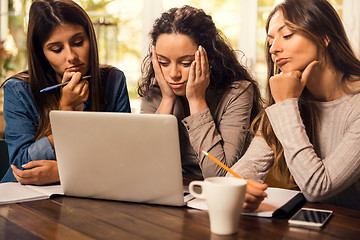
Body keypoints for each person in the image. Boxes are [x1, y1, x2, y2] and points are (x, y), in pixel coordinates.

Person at [230, 0, 360, 210]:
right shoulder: (292, 95)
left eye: (287, 35)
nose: (274, 48)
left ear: (325, 36)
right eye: (270, 41)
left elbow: (318, 188)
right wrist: (240, 185)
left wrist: (286, 105)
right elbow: (251, 164)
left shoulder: (355, 104)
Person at [0, 0, 131, 185]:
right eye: (56, 49)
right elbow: (22, 167)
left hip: (90, 191)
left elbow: (125, 158)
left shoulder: (113, 80)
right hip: (24, 199)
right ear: (41, 53)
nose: (71, 57)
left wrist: (65, 172)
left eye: (78, 42)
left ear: (90, 38)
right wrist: (66, 110)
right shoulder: (18, 90)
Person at [138, 5, 262, 179]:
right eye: (164, 63)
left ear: (209, 58)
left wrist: (196, 100)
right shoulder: (155, 92)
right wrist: (167, 100)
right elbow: (142, 165)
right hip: (166, 191)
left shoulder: (237, 93)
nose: (173, 74)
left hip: (216, 196)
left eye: (186, 63)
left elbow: (219, 175)